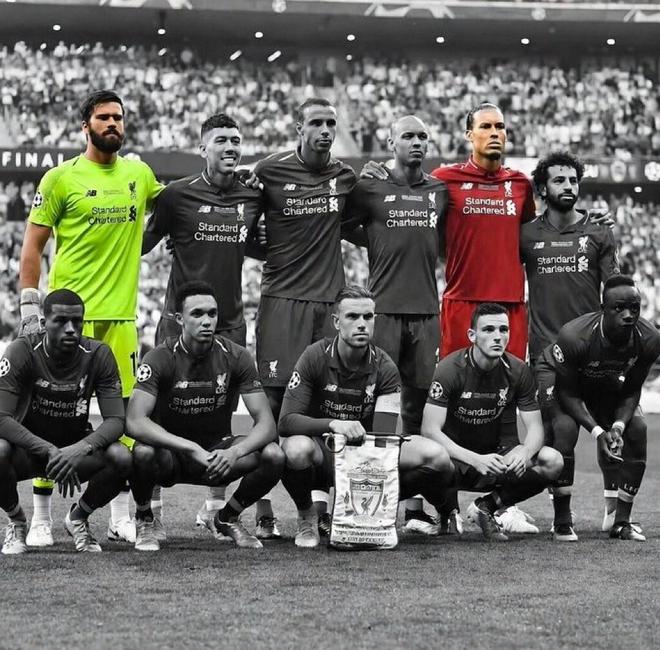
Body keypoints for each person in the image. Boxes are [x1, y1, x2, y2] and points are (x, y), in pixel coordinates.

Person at [19, 89, 162, 545]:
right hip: (67, 319)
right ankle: (40, 517)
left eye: (118, 117)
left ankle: (118, 515)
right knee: (49, 416)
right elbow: (33, 245)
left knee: (124, 421)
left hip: (120, 320)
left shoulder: (139, 174)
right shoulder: (60, 178)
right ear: (86, 126)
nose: (112, 123)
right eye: (103, 117)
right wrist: (29, 306)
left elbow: (178, 206)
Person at [141, 113, 276, 540]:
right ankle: (150, 513)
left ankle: (217, 510)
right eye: (221, 140)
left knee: (221, 414)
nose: (230, 146)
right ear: (202, 148)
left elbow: (258, 244)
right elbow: (140, 244)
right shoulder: (176, 196)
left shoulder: (252, 196)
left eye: (236, 140)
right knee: (161, 414)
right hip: (176, 323)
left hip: (231, 323)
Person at [278, 285, 452, 548]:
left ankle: (414, 511)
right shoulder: (314, 356)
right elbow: (286, 421)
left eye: (368, 317)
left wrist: (365, 453)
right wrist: (334, 424)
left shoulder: (385, 366)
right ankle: (307, 516)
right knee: (294, 449)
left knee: (436, 456)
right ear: (336, 322)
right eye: (352, 316)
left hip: (366, 451)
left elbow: (384, 435)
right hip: (324, 450)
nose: (362, 324)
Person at [253, 97, 357, 534]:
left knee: (324, 405)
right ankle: (261, 509)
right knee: (274, 407)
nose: (325, 130)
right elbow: (242, 230)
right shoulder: (268, 172)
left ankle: (318, 509)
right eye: (316, 122)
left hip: (328, 304)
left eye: (331, 123)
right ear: (299, 127)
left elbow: (359, 223)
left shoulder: (346, 177)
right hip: (282, 302)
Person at [343, 115, 450, 535]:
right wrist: (377, 237)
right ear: (390, 143)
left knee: (419, 410)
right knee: (377, 407)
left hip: (426, 313)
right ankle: (367, 501)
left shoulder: (439, 191)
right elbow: (338, 225)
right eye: (408, 135)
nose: (416, 142)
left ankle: (417, 508)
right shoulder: (369, 187)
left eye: (423, 136)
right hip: (383, 311)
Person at [125, 281, 283, 551]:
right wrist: (190, 448)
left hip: (219, 456)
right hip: (171, 457)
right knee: (142, 452)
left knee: (273, 455)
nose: (207, 321)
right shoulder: (159, 357)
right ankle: (144, 517)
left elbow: (267, 424)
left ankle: (227, 517)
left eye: (212, 313)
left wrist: (235, 452)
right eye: (197, 314)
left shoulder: (237, 356)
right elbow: (134, 421)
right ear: (179, 319)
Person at [522, 151, 619, 535]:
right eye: (559, 180)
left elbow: (614, 291)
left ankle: (616, 513)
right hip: (547, 353)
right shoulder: (526, 234)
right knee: (562, 430)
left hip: (593, 353)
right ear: (543, 189)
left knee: (625, 426)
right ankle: (562, 519)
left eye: (573, 180)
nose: (568, 187)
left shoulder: (598, 232)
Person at [0, 289, 131, 554]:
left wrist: (79, 449)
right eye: (60, 321)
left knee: (122, 457)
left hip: (76, 453)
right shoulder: (22, 350)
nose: (70, 329)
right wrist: (50, 450)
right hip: (28, 452)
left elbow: (117, 420)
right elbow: (1, 417)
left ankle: (78, 518)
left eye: (77, 321)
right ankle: (17, 521)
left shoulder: (98, 353)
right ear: (44, 322)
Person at [421, 303, 563, 542]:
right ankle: (446, 513)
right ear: (472, 335)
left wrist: (525, 452)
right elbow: (429, 430)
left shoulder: (518, 370)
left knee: (552, 460)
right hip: (455, 461)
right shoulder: (449, 369)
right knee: (428, 461)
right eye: (488, 330)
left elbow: (536, 428)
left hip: (497, 460)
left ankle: (485, 507)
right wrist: (475, 459)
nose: (498, 336)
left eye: (503, 329)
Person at [535, 275, 660, 541]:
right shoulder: (574, 336)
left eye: (634, 308)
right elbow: (568, 393)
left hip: (603, 378)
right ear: (603, 308)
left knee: (637, 428)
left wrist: (617, 427)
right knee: (565, 428)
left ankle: (620, 522)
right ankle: (562, 520)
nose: (629, 315)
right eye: (619, 308)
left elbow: (631, 390)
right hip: (559, 377)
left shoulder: (649, 339)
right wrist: (597, 432)